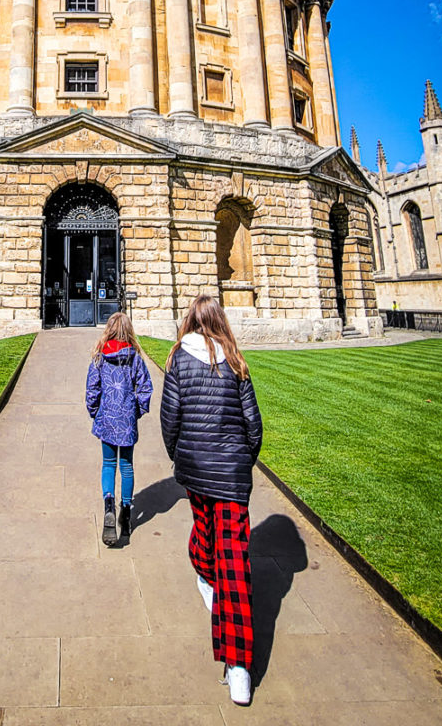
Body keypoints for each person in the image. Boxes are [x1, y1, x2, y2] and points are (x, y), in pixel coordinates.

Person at [160, 295, 262, 706]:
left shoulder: (178, 360)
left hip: (200, 470)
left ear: (190, 320)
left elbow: (170, 421)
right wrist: (241, 461)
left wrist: (180, 457)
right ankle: (205, 573)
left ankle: (238, 665)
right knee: (219, 543)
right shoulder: (236, 360)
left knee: (230, 561)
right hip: (229, 473)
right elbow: (253, 425)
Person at [86, 311, 153, 546]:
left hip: (107, 418)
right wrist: (136, 412)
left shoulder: (99, 355)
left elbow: (91, 389)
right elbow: (145, 389)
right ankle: (126, 510)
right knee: (126, 466)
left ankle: (108, 506)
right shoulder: (134, 356)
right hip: (126, 420)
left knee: (108, 464)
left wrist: (95, 412)